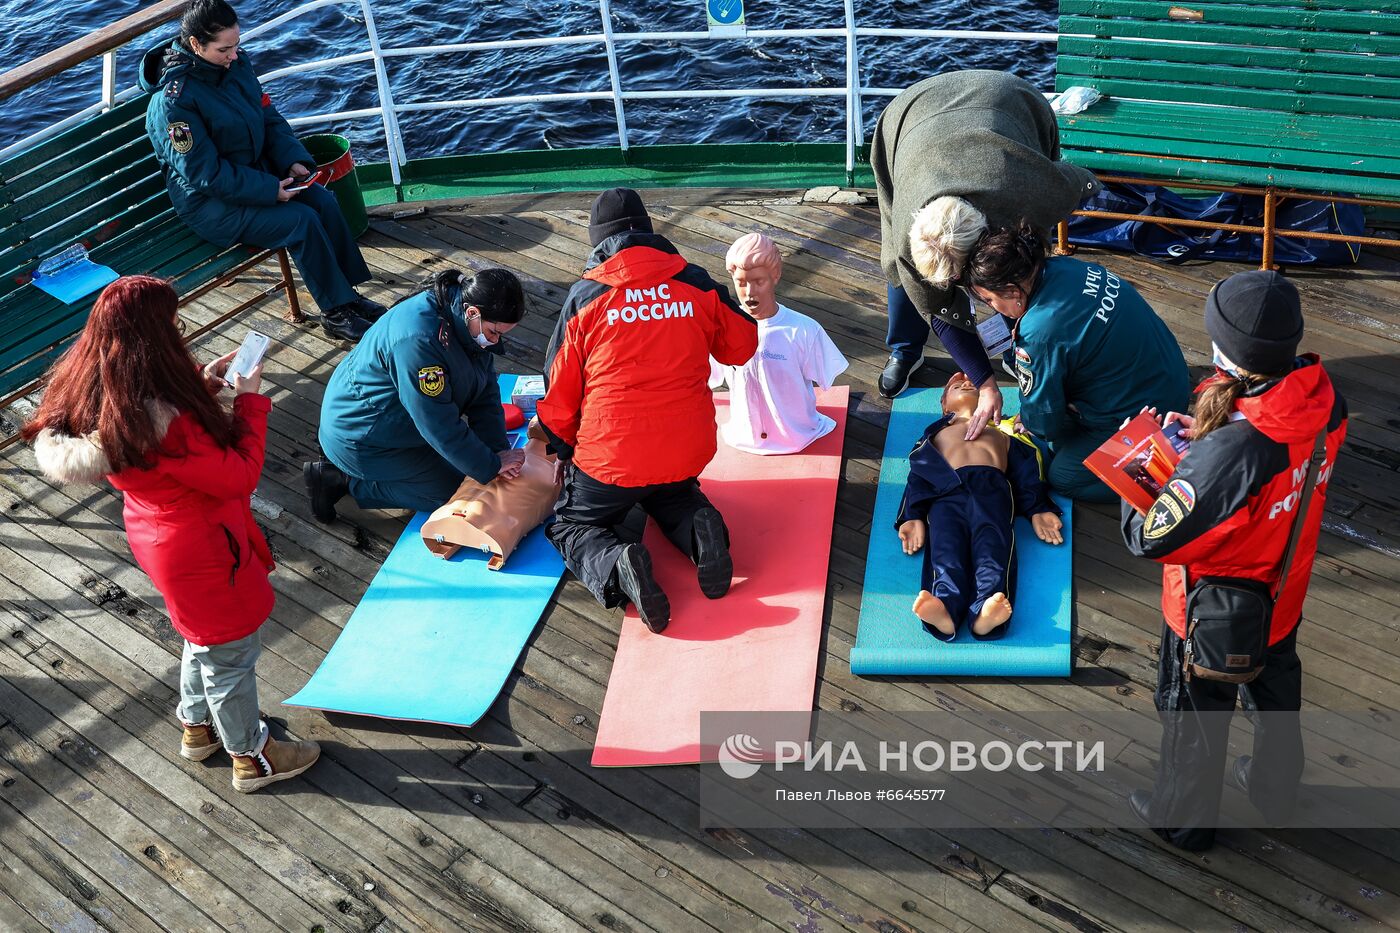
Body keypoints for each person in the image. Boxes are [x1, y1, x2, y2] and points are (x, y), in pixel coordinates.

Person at [24, 276, 320, 793]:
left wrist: (204, 384)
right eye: (172, 323)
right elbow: (239, 474)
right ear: (153, 337)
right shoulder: (168, 422)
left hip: (154, 532)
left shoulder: (98, 390)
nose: (179, 330)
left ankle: (195, 727)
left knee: (201, 637)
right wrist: (249, 401)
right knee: (229, 653)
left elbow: (149, 436)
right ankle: (252, 756)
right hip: (205, 545)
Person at [1122, 270, 1347, 852]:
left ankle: (1183, 822)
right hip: (1283, 590)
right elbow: (1271, 457)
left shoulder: (1234, 450)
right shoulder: (1325, 399)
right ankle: (1274, 792)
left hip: (1208, 611)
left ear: (1225, 349)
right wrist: (1205, 439)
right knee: (1277, 700)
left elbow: (1151, 538)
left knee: (1194, 716)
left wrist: (1136, 468)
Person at [538, 187, 758, 633]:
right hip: (685, 449)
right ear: (650, 233)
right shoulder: (695, 282)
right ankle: (701, 534)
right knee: (671, 493)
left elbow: (558, 391)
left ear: (598, 242)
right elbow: (743, 345)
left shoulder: (585, 297)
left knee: (571, 525)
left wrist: (560, 447)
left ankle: (619, 564)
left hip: (610, 459)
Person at [138, 0, 384, 343]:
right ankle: (336, 314)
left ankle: (349, 296)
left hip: (257, 175)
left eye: (237, 45)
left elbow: (268, 118)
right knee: (301, 221)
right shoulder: (174, 103)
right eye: (225, 49)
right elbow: (204, 174)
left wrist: (291, 160)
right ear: (196, 45)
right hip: (210, 205)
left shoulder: (235, 67)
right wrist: (271, 190)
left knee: (322, 202)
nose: (235, 55)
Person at [871, 69, 1101, 430]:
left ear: (987, 236)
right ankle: (904, 349)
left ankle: (1017, 344)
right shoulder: (908, 240)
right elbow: (936, 305)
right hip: (911, 119)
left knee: (1017, 266)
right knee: (901, 276)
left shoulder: (1024, 192)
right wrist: (985, 381)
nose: (958, 286)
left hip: (1009, 101)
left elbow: (1078, 181)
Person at [963, 224, 1191, 502]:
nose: (992, 307)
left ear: (1013, 291)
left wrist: (1036, 418)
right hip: (1171, 377)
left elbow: (1045, 423)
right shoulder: (1064, 267)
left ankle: (1166, 477)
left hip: (1146, 415)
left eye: (989, 299)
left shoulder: (1039, 330)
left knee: (1064, 475)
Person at [306, 268, 528, 520]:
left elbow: (485, 394)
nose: (495, 341)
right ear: (472, 313)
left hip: (399, 424)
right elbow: (437, 423)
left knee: (473, 471)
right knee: (454, 492)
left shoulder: (466, 321)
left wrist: (497, 452)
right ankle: (341, 480)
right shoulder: (419, 341)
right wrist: (491, 465)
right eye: (494, 333)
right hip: (364, 436)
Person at [897, 373, 1063, 640]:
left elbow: (1026, 473)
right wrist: (912, 514)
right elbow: (919, 474)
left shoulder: (1002, 432)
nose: (965, 382)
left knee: (993, 547)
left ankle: (985, 612)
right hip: (946, 493)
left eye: (972, 383)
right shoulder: (935, 434)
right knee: (945, 549)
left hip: (992, 490)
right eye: (955, 385)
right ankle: (945, 610)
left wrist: (1037, 508)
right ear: (944, 404)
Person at [708, 232, 848, 455]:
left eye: (758, 281)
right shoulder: (721, 329)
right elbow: (708, 379)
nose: (750, 292)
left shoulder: (804, 330)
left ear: (775, 276)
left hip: (799, 436)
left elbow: (827, 374)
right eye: (741, 283)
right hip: (741, 437)